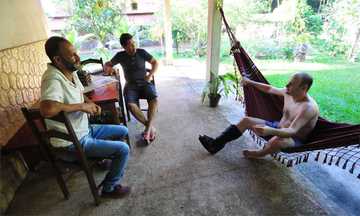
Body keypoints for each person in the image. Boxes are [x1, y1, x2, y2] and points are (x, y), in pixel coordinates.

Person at [40, 36, 131, 198]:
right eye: (73, 55)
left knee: (123, 130)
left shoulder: (71, 72)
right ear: (58, 60)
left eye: (76, 53)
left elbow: (81, 95)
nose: (78, 58)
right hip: (72, 142)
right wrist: (82, 106)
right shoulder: (52, 78)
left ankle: (101, 157)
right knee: (123, 149)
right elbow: (47, 109)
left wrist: (90, 103)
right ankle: (109, 188)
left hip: (84, 130)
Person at [198, 72, 319, 158]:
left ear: (304, 88)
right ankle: (216, 144)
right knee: (246, 121)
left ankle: (260, 154)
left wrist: (270, 131)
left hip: (294, 139)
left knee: (278, 141)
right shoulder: (289, 93)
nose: (287, 85)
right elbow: (269, 89)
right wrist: (250, 82)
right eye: (289, 82)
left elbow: (292, 130)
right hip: (277, 127)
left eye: (292, 84)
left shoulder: (308, 108)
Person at [104, 33, 159, 144]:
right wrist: (109, 68)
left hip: (145, 83)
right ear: (124, 47)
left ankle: (147, 130)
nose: (133, 46)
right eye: (130, 45)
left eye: (133, 43)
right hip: (131, 85)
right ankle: (150, 127)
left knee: (154, 99)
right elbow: (108, 64)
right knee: (130, 105)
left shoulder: (141, 52)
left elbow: (155, 62)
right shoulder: (120, 55)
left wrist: (149, 75)